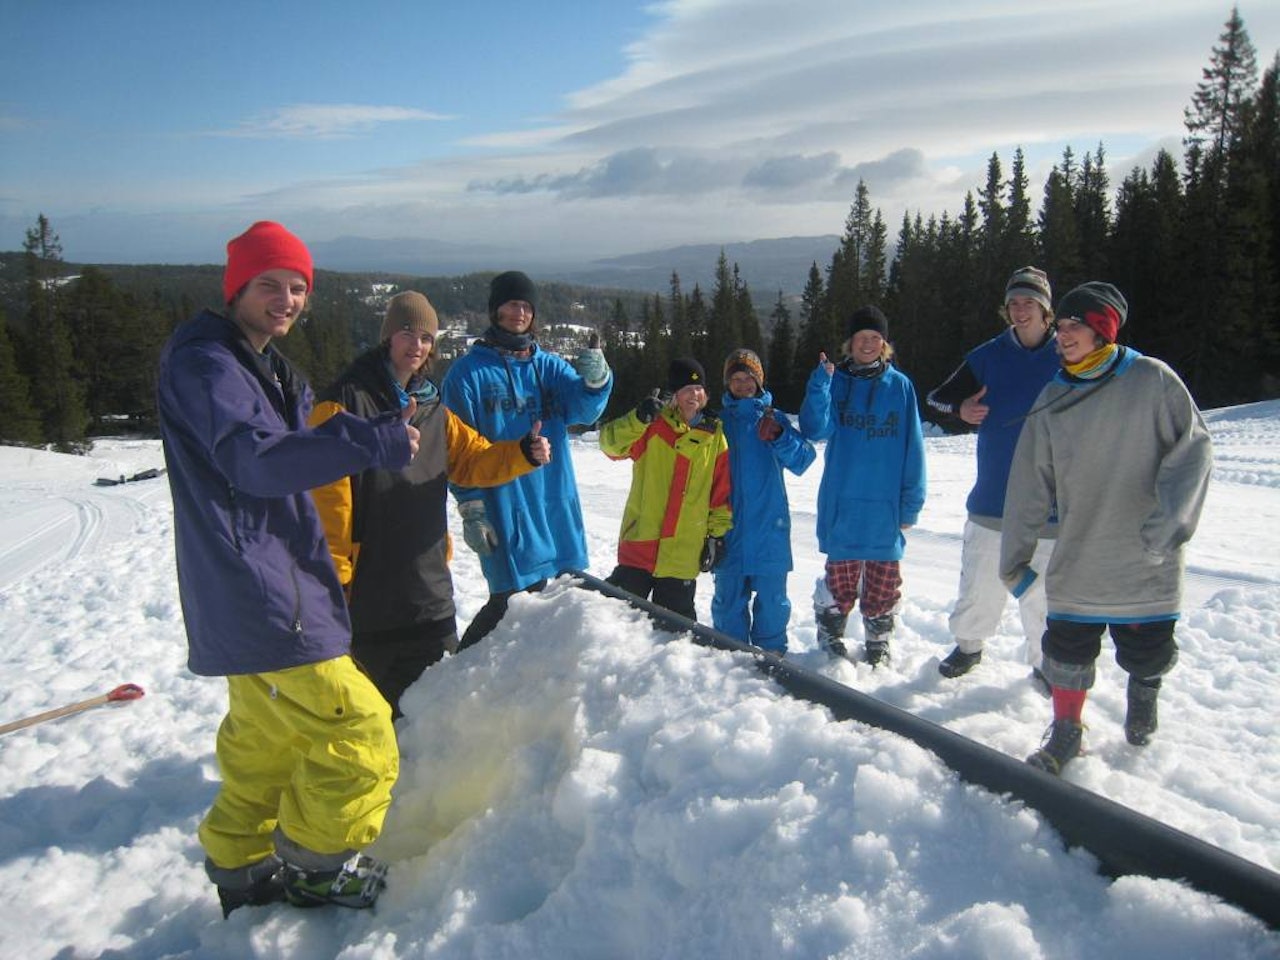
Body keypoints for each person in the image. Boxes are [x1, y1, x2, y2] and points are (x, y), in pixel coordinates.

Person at [157, 222, 419, 915]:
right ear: (236, 286)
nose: (286, 299)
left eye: (298, 286)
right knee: (361, 729)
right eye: (270, 283)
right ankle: (315, 864)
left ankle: (240, 863)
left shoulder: (253, 365)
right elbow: (257, 461)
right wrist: (368, 442)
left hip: (249, 588)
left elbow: (284, 441)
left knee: (265, 744)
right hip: (265, 590)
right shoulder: (211, 366)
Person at [1000, 282, 1212, 776]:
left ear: (1102, 330)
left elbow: (1194, 451)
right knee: (1067, 647)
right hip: (1081, 551)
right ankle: (1068, 730)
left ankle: (1143, 695)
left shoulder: (1152, 380)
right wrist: (1015, 559)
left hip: (1146, 552)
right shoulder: (1053, 396)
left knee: (1147, 650)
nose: (1063, 334)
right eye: (1062, 326)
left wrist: (1169, 526)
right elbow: (1028, 484)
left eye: (1076, 325)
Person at [308, 291, 550, 717]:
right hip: (366, 599)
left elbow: (473, 460)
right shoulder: (343, 404)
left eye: (425, 337)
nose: (416, 345)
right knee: (363, 725)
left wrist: (522, 454)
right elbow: (326, 511)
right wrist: (332, 589)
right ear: (387, 337)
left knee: (431, 722)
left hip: (427, 593)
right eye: (406, 333)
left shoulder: (433, 409)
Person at [442, 270, 613, 649]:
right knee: (510, 602)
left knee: (554, 597)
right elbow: (454, 450)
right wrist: (471, 506)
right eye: (511, 304)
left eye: (526, 305)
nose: (519, 312)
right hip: (504, 503)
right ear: (495, 310)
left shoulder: (548, 367)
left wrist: (597, 380)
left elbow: (583, 410)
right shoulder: (467, 375)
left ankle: (526, 680)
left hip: (554, 500)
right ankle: (455, 680)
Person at [925, 267, 1060, 689]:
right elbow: (934, 400)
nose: (1020, 311)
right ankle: (969, 647)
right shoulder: (988, 355)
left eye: (1029, 303)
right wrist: (962, 412)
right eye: (1014, 303)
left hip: (1050, 502)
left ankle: (1047, 663)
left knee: (1042, 594)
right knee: (980, 581)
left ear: (1046, 309)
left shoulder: (1069, 353)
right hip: (992, 499)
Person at [800, 306, 926, 666]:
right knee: (840, 579)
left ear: (884, 344)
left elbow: (913, 449)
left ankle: (878, 639)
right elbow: (814, 428)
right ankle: (831, 633)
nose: (868, 344)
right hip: (844, 503)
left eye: (875, 338)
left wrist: (910, 504)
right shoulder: (836, 380)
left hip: (885, 507)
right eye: (861, 338)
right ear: (850, 344)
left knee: (884, 580)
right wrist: (820, 384)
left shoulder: (900, 387)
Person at [599, 357, 733, 620]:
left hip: (682, 553)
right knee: (614, 624)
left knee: (674, 637)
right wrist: (638, 419)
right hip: (641, 542)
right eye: (686, 389)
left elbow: (721, 494)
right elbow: (610, 445)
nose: (693, 395)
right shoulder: (653, 425)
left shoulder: (715, 436)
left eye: (698, 389)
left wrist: (716, 536)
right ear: (675, 395)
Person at [711, 348, 816, 654]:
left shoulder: (774, 418)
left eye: (749, 379)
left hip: (770, 528)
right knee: (728, 600)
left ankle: (772, 656)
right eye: (736, 378)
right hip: (728, 531)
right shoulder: (716, 424)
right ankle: (730, 656)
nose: (743, 385)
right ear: (728, 383)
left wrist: (781, 436)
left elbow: (804, 460)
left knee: (773, 602)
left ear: (759, 382)